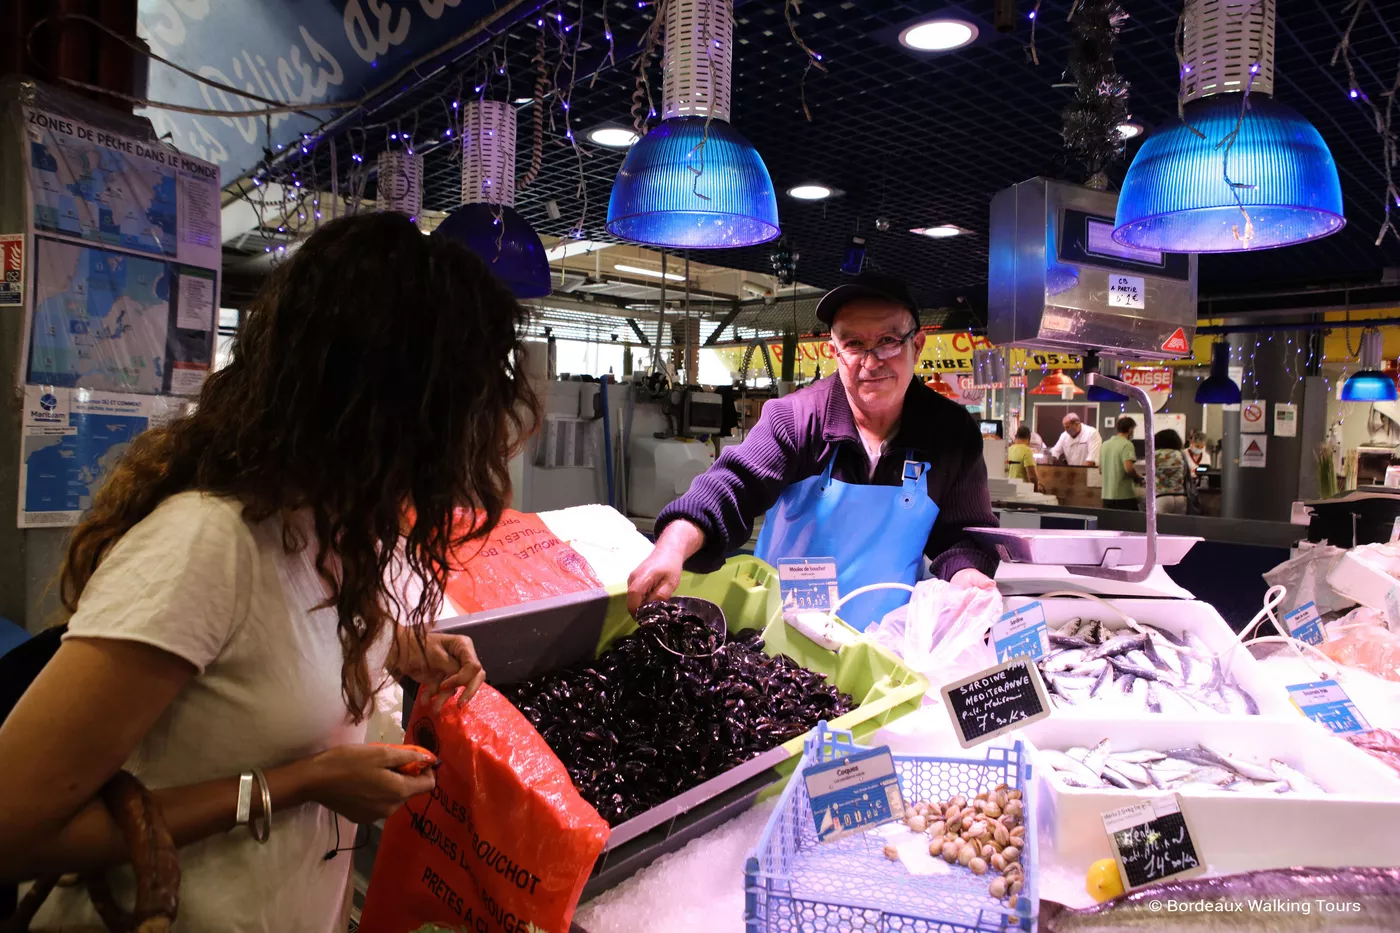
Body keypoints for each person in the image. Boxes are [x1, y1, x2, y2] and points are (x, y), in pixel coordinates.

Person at [0, 214, 537, 932]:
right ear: (377, 409)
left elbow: (277, 653)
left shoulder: (340, 529)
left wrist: (406, 646)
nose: (464, 446)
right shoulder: (205, 545)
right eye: (452, 415)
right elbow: (13, 823)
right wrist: (297, 785)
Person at [627, 271, 999, 630]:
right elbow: (731, 487)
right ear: (834, 351)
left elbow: (963, 536)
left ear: (915, 345)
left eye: (888, 340)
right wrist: (672, 546)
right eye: (854, 344)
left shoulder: (951, 432)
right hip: (781, 632)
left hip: (887, 641)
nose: (871, 362)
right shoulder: (796, 418)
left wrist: (967, 574)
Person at [1100, 416, 1139, 510]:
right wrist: (1138, 477)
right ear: (1130, 429)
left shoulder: (1105, 444)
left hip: (1106, 495)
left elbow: (1100, 470)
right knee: (1129, 524)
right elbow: (1129, 469)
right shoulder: (1127, 444)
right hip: (1124, 496)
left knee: (1110, 524)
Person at [1154, 429, 1192, 514]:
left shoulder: (1155, 454)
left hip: (1161, 497)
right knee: (1178, 526)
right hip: (1180, 497)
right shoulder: (1181, 454)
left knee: (1160, 526)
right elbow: (1185, 473)